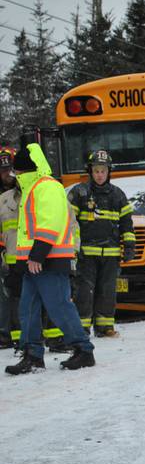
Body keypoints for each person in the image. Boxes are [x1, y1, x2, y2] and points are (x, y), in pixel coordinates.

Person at [4, 139, 95, 375]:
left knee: (59, 307)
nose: (15, 175)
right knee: (28, 309)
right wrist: (22, 263)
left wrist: (37, 255)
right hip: (34, 261)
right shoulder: (32, 189)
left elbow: (50, 223)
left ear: (27, 170)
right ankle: (32, 355)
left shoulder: (48, 187)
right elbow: (26, 232)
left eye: (18, 171)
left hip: (49, 260)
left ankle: (83, 350)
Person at [68, 150, 135, 338]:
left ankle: (105, 328)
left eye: (103, 171)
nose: (99, 175)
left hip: (111, 255)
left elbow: (127, 224)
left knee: (107, 292)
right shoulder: (79, 193)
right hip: (86, 255)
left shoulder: (118, 195)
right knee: (84, 292)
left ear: (109, 172)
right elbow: (69, 223)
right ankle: (81, 329)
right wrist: (73, 250)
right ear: (90, 171)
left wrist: (129, 247)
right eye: (96, 171)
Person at [0, 146, 16, 349]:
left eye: (10, 169)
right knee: (4, 295)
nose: (7, 174)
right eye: (3, 170)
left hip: (22, 251)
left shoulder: (24, 190)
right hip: (3, 252)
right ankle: (4, 334)